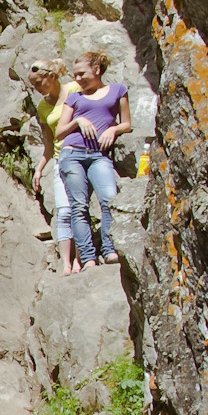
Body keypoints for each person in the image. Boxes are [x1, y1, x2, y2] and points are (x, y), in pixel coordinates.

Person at [53, 50, 132, 268]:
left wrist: (113, 130)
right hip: (72, 153)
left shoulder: (117, 90)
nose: (77, 79)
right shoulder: (74, 98)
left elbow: (127, 123)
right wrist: (78, 123)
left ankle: (109, 249)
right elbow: (59, 133)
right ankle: (88, 257)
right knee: (79, 206)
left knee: (108, 198)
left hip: (99, 154)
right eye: (75, 75)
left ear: (96, 70)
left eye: (81, 74)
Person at [26, 59, 83, 275]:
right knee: (64, 209)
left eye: (40, 83)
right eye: (34, 86)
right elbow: (49, 143)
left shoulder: (75, 89)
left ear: (51, 75)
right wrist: (40, 168)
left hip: (80, 153)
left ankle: (80, 258)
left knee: (79, 207)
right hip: (60, 158)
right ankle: (66, 263)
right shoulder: (42, 106)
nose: (38, 89)